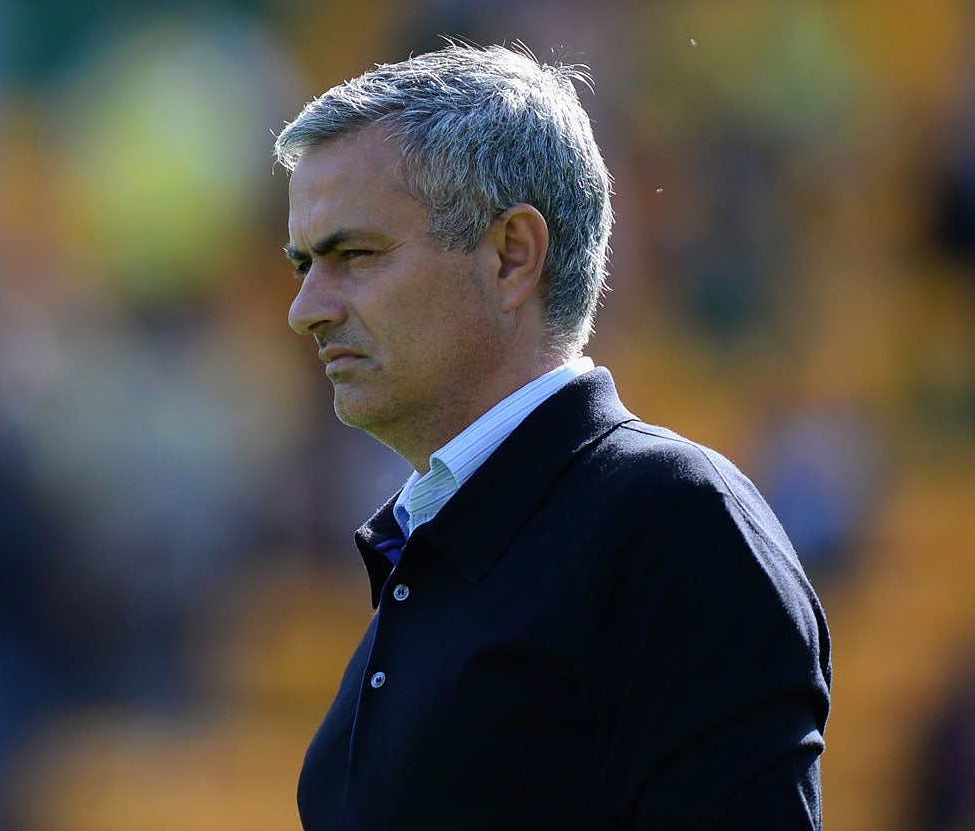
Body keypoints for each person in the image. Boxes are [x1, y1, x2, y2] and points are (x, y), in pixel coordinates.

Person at [276, 43, 831, 830]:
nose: (307, 308)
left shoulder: (674, 524)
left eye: (354, 255)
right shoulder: (440, 543)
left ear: (512, 256)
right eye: (304, 263)